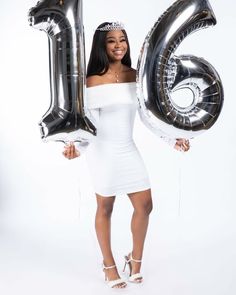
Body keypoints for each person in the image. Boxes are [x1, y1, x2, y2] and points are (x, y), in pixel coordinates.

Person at [63, 21, 190, 289]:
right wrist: (77, 149)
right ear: (102, 45)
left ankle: (135, 260)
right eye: (112, 40)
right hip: (102, 152)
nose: (119, 45)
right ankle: (108, 265)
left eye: (123, 39)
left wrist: (172, 138)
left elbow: (147, 115)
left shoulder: (135, 75)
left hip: (127, 147)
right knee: (105, 207)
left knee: (145, 205)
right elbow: (90, 123)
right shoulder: (91, 81)